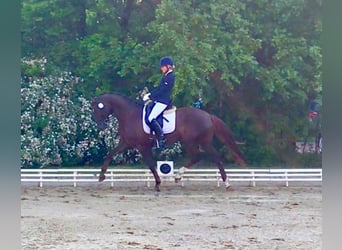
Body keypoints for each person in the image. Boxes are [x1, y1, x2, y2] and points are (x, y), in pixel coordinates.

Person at [143, 56, 175, 149]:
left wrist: (150, 96)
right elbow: (159, 89)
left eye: (162, 66)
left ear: (168, 66)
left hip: (163, 101)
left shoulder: (170, 77)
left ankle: (161, 139)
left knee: (151, 117)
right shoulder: (166, 76)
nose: (161, 68)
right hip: (159, 100)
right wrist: (150, 94)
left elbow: (162, 90)